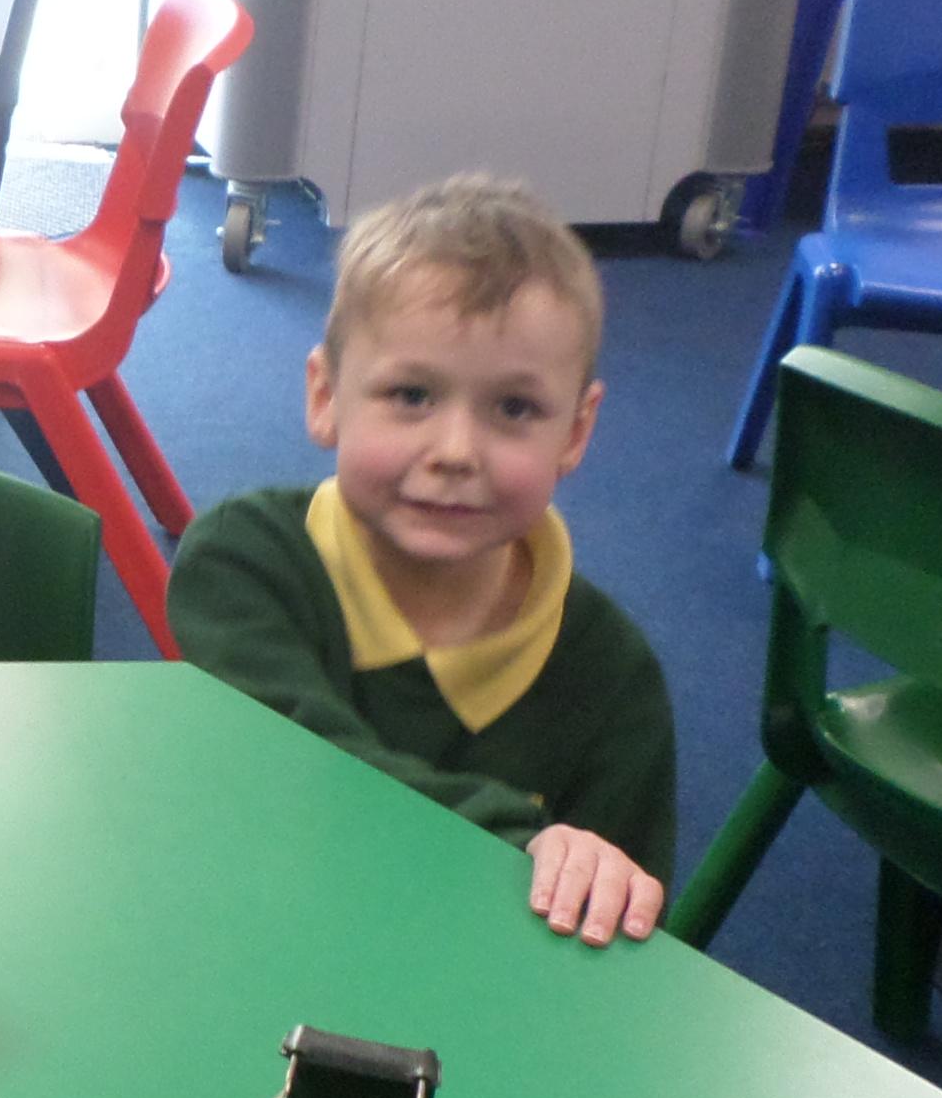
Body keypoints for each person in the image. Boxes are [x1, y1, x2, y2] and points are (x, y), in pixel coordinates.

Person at [169, 175, 678, 948]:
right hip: (240, 943)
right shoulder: (245, 562)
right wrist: (521, 842)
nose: (456, 452)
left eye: (514, 408)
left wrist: (597, 881)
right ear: (325, 397)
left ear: (575, 432)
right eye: (411, 395)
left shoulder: (612, 676)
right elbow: (305, 770)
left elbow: (627, 934)